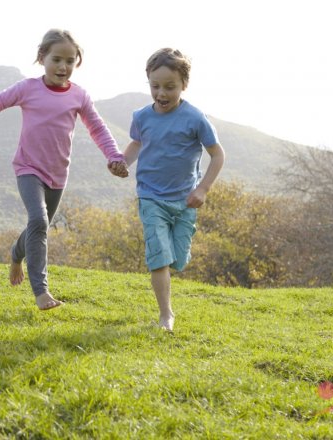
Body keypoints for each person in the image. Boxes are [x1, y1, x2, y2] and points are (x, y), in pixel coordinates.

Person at [0, 29, 128, 311]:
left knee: (36, 226)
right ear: (42, 58)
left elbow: (98, 128)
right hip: (28, 169)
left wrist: (114, 155)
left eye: (70, 61)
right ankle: (41, 292)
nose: (63, 67)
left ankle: (16, 254)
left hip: (58, 175)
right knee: (39, 222)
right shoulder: (28, 88)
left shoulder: (79, 96)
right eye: (56, 59)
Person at [122, 48, 225, 331]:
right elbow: (136, 144)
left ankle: (171, 267)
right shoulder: (141, 116)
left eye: (170, 87)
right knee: (159, 258)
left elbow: (218, 155)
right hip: (150, 196)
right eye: (155, 86)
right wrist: (123, 162)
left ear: (184, 85)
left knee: (177, 260)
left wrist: (203, 189)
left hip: (185, 200)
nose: (161, 93)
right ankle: (166, 315)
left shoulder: (195, 118)